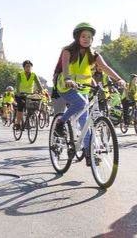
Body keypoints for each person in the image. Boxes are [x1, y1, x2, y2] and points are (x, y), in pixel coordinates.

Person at [52, 23, 125, 165]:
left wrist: (119, 79)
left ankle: (88, 153)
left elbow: (105, 67)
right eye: (83, 36)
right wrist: (67, 79)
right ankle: (61, 123)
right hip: (65, 86)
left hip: (83, 88)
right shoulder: (67, 51)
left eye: (89, 37)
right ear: (77, 37)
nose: (86, 39)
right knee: (82, 103)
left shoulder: (93, 54)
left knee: (85, 123)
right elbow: (65, 68)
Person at [14, 60, 44, 130]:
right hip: (20, 94)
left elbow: (38, 84)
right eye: (27, 66)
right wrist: (18, 92)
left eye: (30, 67)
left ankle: (27, 121)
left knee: (33, 106)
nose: (28, 68)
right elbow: (17, 84)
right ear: (24, 67)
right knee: (21, 105)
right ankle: (18, 123)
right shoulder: (20, 74)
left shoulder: (34, 75)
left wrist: (42, 91)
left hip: (30, 95)